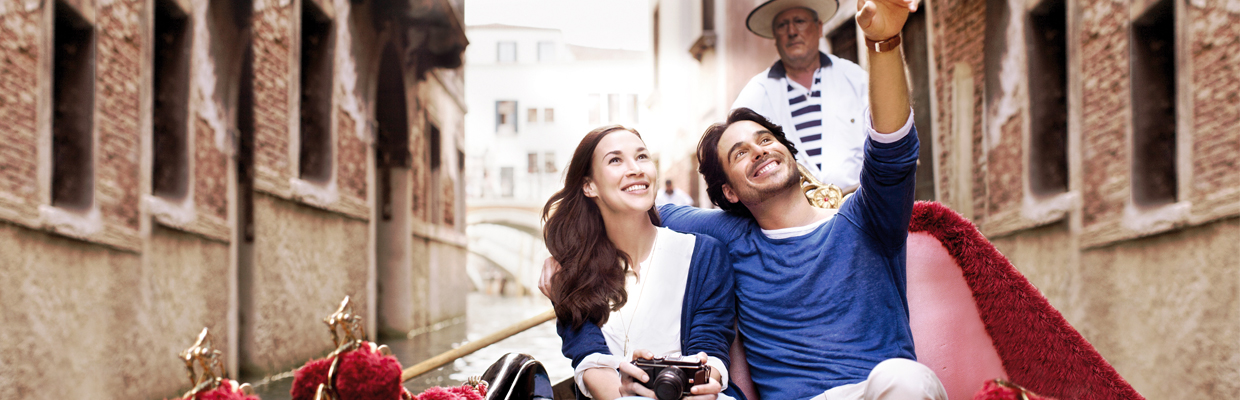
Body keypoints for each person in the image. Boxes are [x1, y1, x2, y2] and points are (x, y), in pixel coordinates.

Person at [546, 0, 947, 398]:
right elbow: (636, 209)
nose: (758, 150)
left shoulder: (865, 218)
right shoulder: (729, 238)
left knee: (905, 378)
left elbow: (892, 153)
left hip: (884, 389)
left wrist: (884, 42)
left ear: (790, 153)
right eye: (739, 153)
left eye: (766, 139)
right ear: (729, 192)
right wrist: (565, 256)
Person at [542, 125, 741, 400]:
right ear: (589, 185)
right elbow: (589, 359)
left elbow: (710, 344)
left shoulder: (705, 254)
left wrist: (706, 384)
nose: (635, 169)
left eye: (642, 157)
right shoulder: (570, 274)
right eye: (615, 160)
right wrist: (626, 394)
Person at [733, 0, 870, 192]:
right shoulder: (754, 95)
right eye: (782, 25)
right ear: (775, 35)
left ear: (819, 28)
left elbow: (885, 143)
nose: (792, 31)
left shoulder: (855, 79)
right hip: (790, 220)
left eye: (799, 21)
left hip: (859, 209)